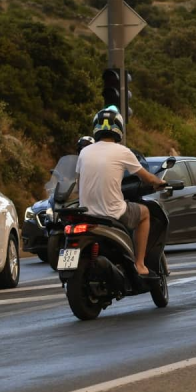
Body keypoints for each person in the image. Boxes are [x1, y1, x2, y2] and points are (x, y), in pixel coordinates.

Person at [76, 107, 165, 278]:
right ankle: (140, 264)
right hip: (112, 212)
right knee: (145, 213)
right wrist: (159, 182)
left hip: (86, 213)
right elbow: (147, 178)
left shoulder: (84, 152)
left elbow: (80, 183)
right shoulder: (122, 151)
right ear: (119, 128)